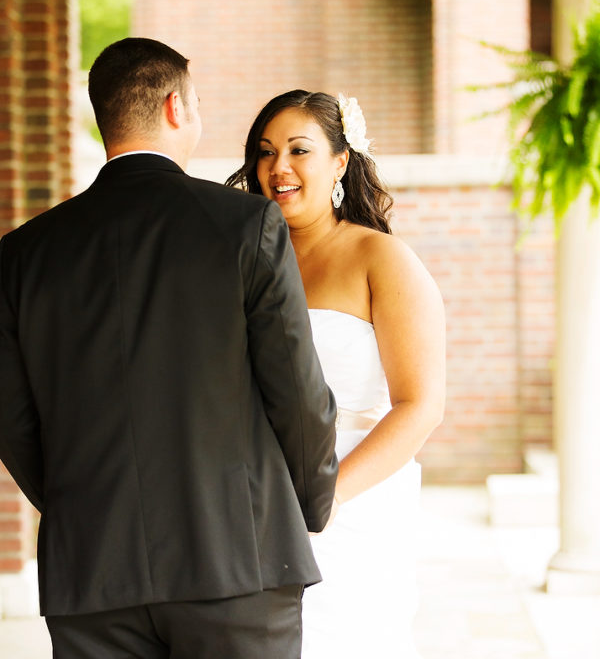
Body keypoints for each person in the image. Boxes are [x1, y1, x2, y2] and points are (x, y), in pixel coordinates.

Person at [0, 40, 338, 659]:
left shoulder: (22, 254)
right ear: (175, 106)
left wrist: (82, 504)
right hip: (238, 557)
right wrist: (308, 504)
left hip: (91, 569)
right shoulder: (245, 225)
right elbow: (296, 391)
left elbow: (13, 420)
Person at [227, 89, 446, 658]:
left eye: (300, 150)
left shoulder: (381, 259)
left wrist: (326, 501)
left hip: (352, 503)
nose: (279, 168)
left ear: (341, 161)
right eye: (266, 151)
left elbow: (420, 405)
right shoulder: (240, 261)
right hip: (249, 503)